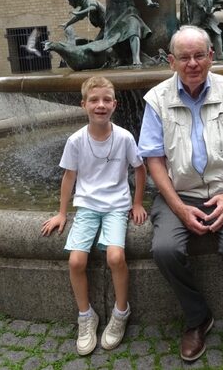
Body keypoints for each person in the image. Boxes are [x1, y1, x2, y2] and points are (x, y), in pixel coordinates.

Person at [138, 26, 223, 369]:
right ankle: (198, 318)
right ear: (171, 61)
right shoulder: (156, 100)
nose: (192, 63)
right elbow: (154, 160)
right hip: (178, 194)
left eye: (199, 55)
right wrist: (178, 207)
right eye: (184, 57)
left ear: (211, 56)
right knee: (164, 250)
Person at [41, 76, 148, 356]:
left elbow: (140, 169)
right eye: (94, 100)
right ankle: (86, 316)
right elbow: (69, 177)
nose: (100, 105)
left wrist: (137, 203)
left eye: (105, 100)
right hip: (87, 206)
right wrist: (62, 213)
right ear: (83, 105)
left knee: (116, 257)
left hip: (116, 206)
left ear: (115, 104)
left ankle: (121, 312)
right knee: (76, 260)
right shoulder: (76, 140)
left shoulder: (124, 137)